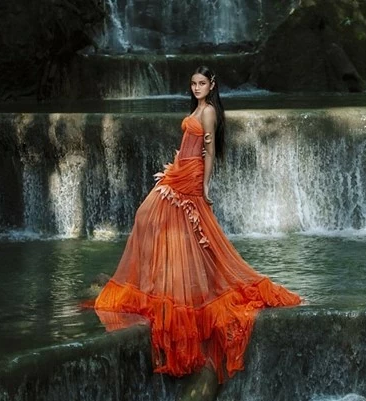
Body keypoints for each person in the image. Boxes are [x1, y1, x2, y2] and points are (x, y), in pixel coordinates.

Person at [90, 66, 301, 383]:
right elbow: (188, 146)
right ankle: (162, 284)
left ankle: (179, 293)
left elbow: (210, 150)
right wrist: (173, 165)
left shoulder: (210, 112)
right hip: (179, 171)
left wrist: (204, 186)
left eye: (202, 83)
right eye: (193, 83)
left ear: (212, 85)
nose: (196, 87)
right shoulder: (199, 109)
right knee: (162, 223)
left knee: (160, 219)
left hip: (191, 177)